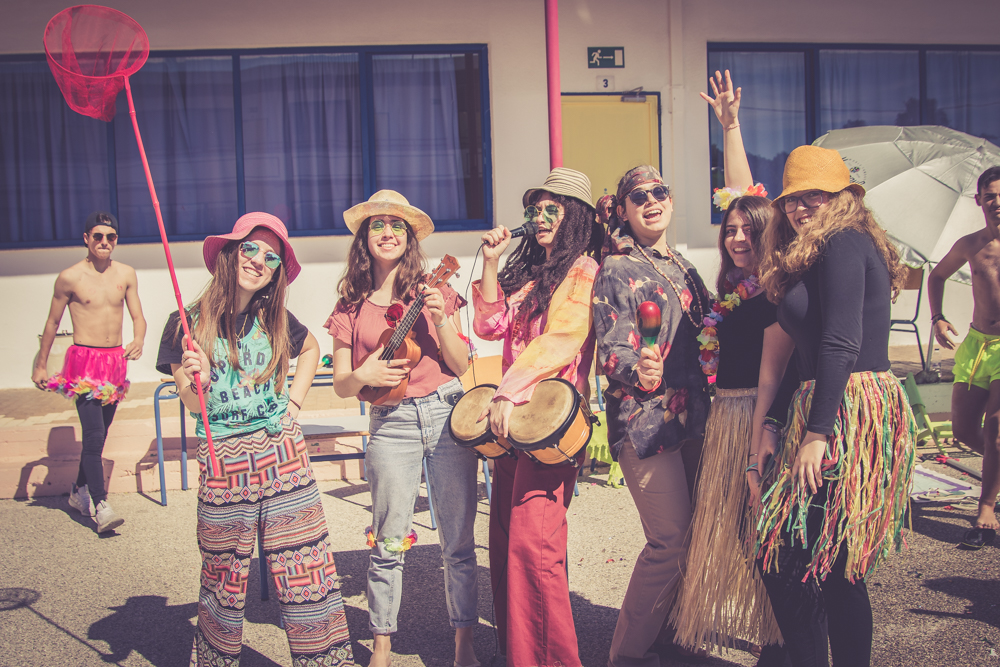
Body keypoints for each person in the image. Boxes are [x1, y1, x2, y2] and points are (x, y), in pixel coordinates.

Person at [155, 212, 354, 667]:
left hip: (282, 451)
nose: (259, 261)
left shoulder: (275, 317)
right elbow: (191, 402)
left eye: (271, 256)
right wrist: (200, 380)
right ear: (230, 252)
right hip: (224, 458)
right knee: (222, 577)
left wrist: (294, 403)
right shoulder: (184, 323)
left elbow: (311, 349)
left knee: (307, 569)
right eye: (250, 248)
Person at [751, 145, 917, 666]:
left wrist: (817, 433)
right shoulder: (817, 251)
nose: (800, 208)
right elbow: (805, 353)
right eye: (792, 199)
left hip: (848, 413)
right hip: (822, 404)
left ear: (843, 197)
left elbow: (841, 342)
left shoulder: (845, 241)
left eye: (813, 196)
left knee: (805, 560)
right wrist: (774, 422)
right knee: (816, 563)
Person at [326, 191, 479, 667]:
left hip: (446, 413)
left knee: (458, 540)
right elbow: (341, 384)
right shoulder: (350, 307)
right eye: (378, 225)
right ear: (364, 238)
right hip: (390, 424)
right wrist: (364, 374)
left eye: (397, 225)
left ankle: (465, 642)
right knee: (388, 540)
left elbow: (461, 365)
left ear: (410, 238)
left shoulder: (436, 290)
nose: (388, 232)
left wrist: (441, 320)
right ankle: (382, 645)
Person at [671, 70, 787, 665]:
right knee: (745, 534)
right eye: (730, 230)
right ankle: (776, 634)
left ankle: (784, 638)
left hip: (760, 417)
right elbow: (742, 203)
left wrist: (733, 129)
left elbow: (749, 198)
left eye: (748, 230)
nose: (737, 236)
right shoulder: (734, 286)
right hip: (728, 414)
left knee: (768, 533)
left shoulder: (777, 283)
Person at [473, 167, 603, 667]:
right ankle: (518, 653)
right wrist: (491, 262)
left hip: (549, 422)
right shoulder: (532, 272)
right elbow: (489, 325)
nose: (540, 216)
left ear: (576, 218)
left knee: (535, 545)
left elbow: (563, 338)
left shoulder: (583, 269)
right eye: (535, 208)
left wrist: (507, 392)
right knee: (507, 539)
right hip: (512, 423)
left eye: (553, 209)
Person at [592, 164, 714, 666]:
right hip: (644, 422)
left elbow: (713, 329)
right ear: (622, 211)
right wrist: (637, 368)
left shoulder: (684, 267)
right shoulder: (616, 268)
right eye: (638, 196)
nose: (651, 201)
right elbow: (610, 349)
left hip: (695, 418)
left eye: (658, 191)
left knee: (695, 537)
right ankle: (626, 655)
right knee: (669, 541)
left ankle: (670, 636)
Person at [32, 211, 145, 534]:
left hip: (115, 363)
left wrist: (138, 339)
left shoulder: (126, 273)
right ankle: (101, 504)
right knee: (94, 436)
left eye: (111, 237)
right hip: (84, 363)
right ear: (86, 238)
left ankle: (78, 491)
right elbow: (52, 322)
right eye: (98, 236)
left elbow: (138, 317)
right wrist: (40, 364)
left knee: (100, 435)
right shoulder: (70, 277)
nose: (104, 242)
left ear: (116, 240)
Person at [927, 166, 1000, 549]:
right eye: (990, 196)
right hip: (976, 344)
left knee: (996, 429)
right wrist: (937, 317)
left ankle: (985, 508)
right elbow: (936, 276)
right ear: (979, 201)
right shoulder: (972, 244)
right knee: (963, 430)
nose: (997, 203)